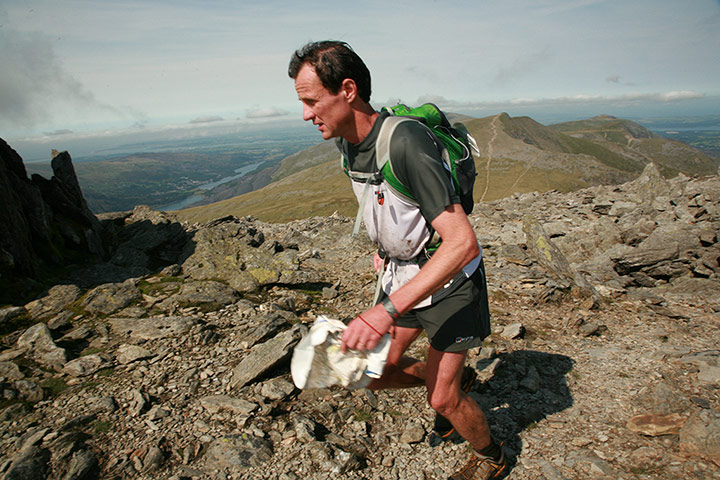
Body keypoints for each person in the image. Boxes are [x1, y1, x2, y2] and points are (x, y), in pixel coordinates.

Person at [288, 40, 506, 480]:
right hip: (401, 273)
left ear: (347, 90)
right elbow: (390, 204)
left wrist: (385, 311)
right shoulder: (348, 144)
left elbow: (463, 242)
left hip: (450, 283)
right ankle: (447, 378)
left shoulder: (404, 141)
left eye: (312, 101)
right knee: (371, 370)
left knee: (440, 400)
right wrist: (386, 247)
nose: (307, 115)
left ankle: (493, 457)